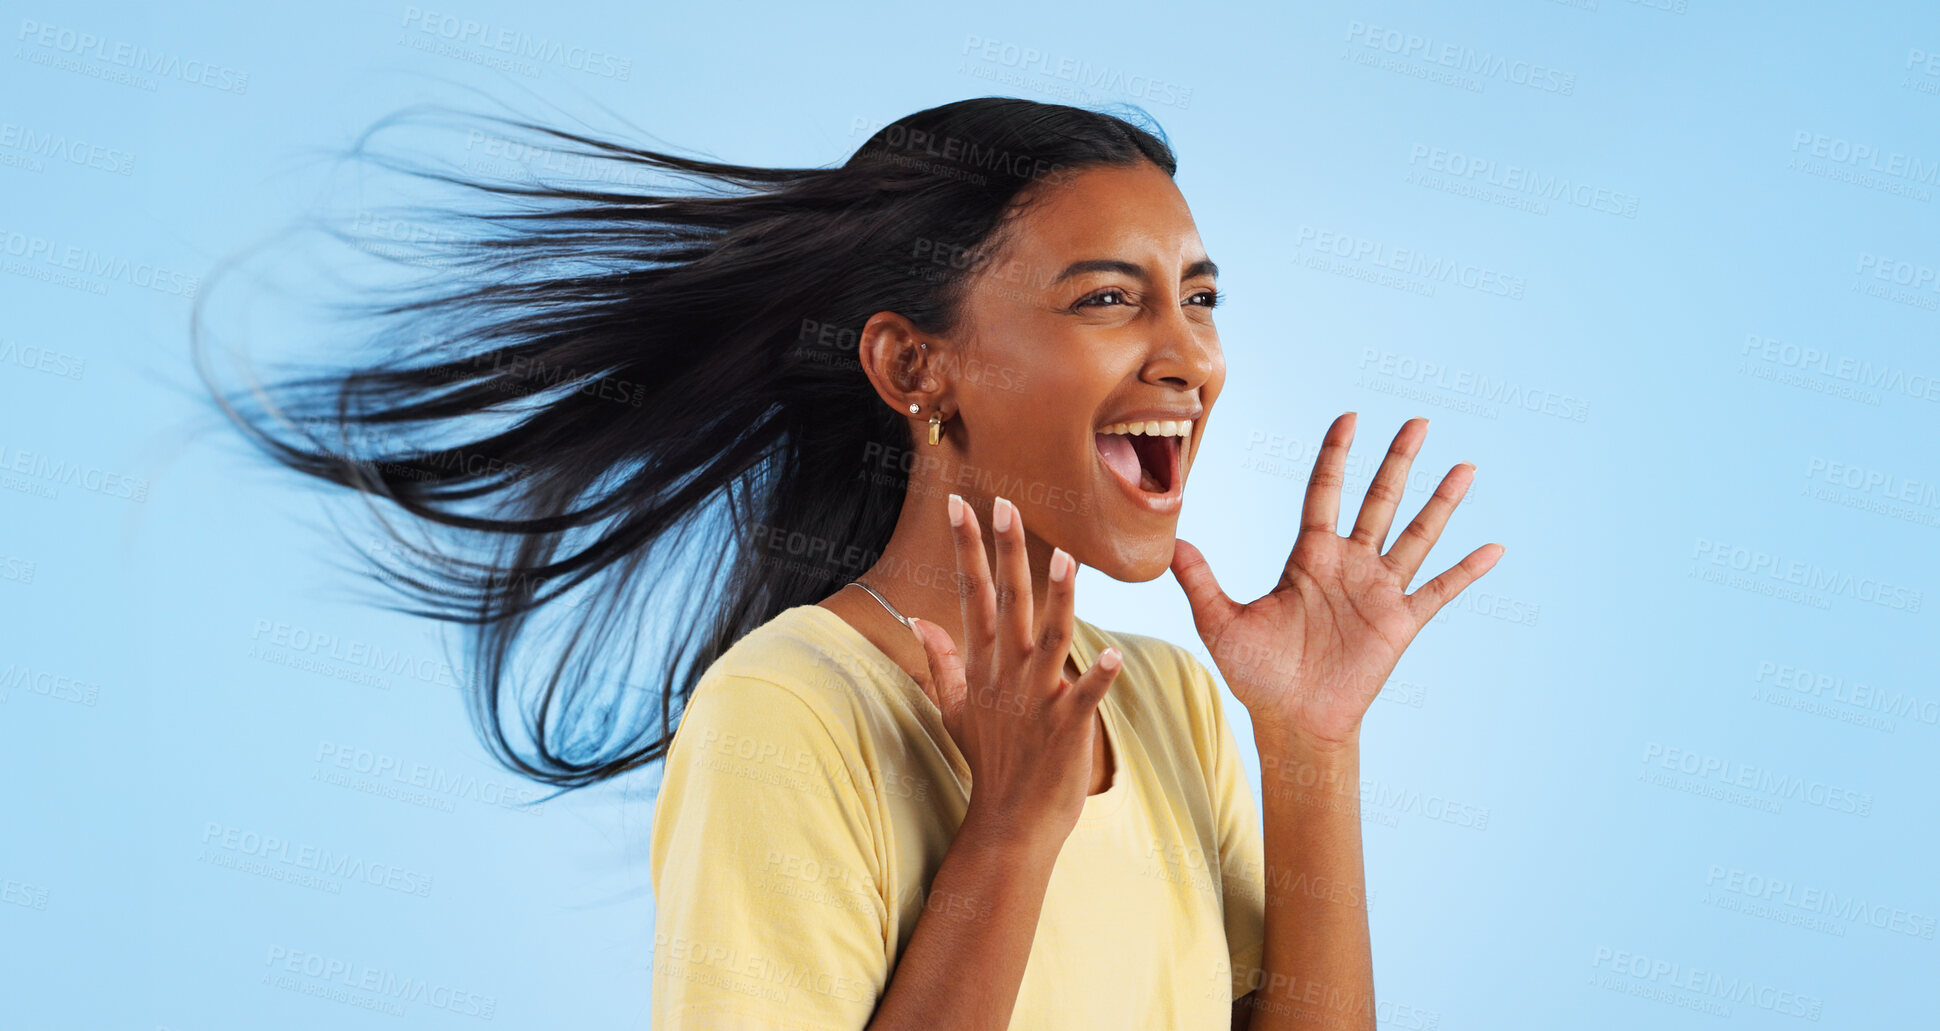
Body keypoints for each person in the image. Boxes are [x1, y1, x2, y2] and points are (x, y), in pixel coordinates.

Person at [196, 96, 1502, 1030]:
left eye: (1199, 299)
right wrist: (1006, 835)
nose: (1190, 356)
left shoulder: (1161, 703)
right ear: (911, 368)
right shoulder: (791, 710)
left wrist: (1311, 745)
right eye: (1110, 299)